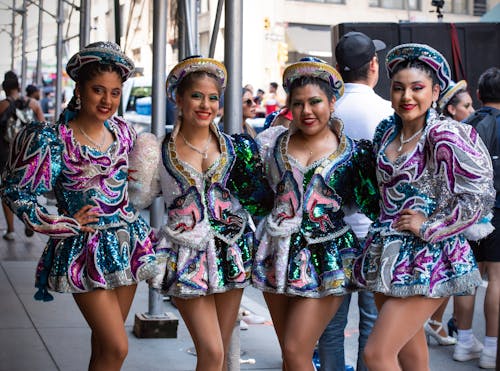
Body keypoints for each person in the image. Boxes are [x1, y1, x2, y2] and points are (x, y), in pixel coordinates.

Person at [0, 41, 159, 371]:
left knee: (103, 347)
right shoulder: (55, 139)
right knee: (117, 348)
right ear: (80, 89)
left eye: (115, 93)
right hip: (84, 248)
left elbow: (138, 188)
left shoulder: (126, 133)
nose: (107, 100)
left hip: (126, 244)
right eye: (98, 90)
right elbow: (15, 190)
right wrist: (59, 223)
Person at [353, 43, 495, 371]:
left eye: (417, 88)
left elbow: (478, 197)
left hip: (431, 258)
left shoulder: (446, 135)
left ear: (435, 91)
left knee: (376, 354)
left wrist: (428, 225)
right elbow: (375, 190)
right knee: (410, 355)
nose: (407, 97)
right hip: (386, 255)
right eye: (399, 88)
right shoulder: (386, 131)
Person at [132, 56, 274, 371]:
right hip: (185, 256)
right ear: (178, 99)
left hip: (230, 252)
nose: (205, 104)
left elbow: (260, 199)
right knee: (211, 352)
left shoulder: (237, 149)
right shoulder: (156, 150)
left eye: (212, 98)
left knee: (222, 352)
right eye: (196, 95)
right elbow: (133, 200)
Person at [253, 57, 380, 371]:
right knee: (291, 356)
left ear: (332, 102)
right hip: (278, 255)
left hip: (329, 257)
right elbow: (258, 197)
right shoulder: (271, 147)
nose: (307, 111)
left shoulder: (354, 153)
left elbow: (377, 206)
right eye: (298, 104)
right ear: (289, 107)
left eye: (315, 102)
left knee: (298, 352)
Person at [318, 31, 393, 371]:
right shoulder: (389, 112)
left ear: (337, 67)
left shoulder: (327, 112)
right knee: (372, 322)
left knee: (330, 326)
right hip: (375, 231)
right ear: (374, 66)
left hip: (331, 231)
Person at [423, 78, 476, 348]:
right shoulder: (447, 136)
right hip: (445, 219)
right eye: (467, 105)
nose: (472, 110)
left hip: (448, 217)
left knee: (450, 273)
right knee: (451, 273)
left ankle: (434, 323)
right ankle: (434, 323)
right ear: (453, 109)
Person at [461, 66, 500, 369]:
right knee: (497, 279)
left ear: (478, 94)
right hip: (498, 209)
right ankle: (490, 350)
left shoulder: (465, 124)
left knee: (468, 277)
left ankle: (463, 342)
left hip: (466, 211)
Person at [0, 72, 43, 240]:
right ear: (19, 87)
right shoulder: (34, 104)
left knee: (6, 190)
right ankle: (28, 221)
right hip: (28, 153)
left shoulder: (2, 105)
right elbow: (43, 128)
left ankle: (10, 230)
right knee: (27, 188)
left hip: (6, 154)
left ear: (4, 89)